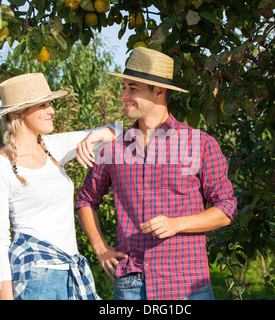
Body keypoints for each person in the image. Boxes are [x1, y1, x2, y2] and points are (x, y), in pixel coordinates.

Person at [75, 47, 238, 300]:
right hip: (131, 284)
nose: (123, 95)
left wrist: (177, 224)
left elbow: (226, 207)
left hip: (187, 284)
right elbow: (86, 199)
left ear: (159, 91)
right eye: (123, 87)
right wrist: (100, 248)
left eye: (132, 88)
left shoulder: (200, 144)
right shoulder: (113, 148)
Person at [0, 72, 119, 300]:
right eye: (43, 105)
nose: (52, 110)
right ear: (21, 112)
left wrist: (93, 136)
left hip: (69, 271)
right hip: (34, 277)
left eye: (50, 104)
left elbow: (120, 132)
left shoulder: (52, 147)